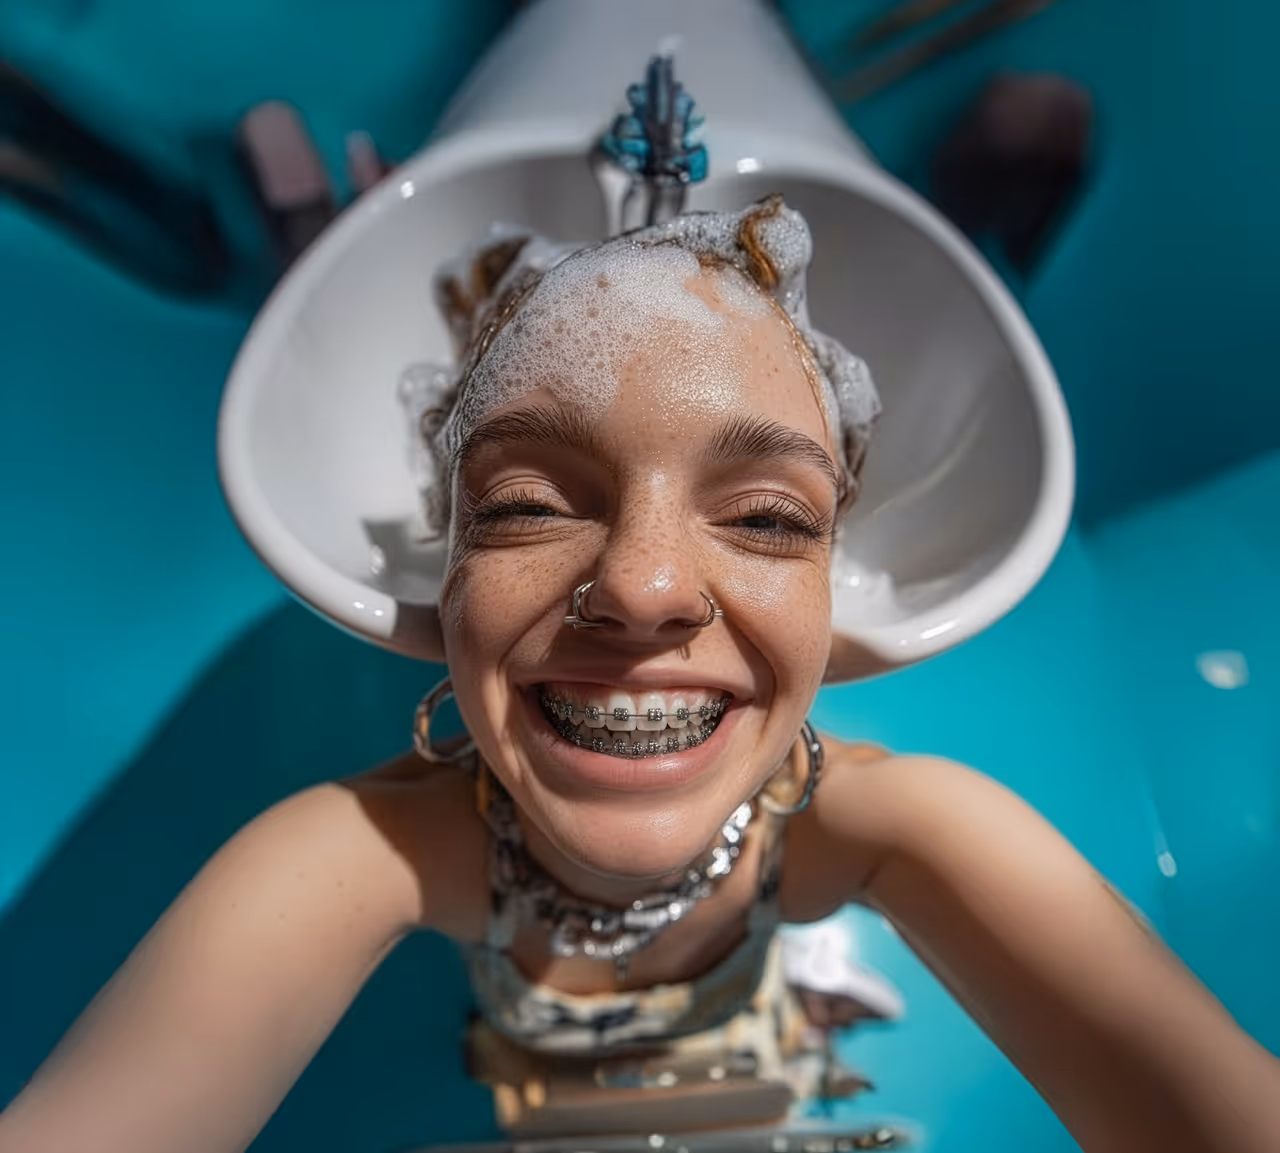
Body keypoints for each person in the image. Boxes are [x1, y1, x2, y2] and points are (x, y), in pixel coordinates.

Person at [1, 197, 1277, 1153]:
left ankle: (998, 187)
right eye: (525, 504)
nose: (645, 585)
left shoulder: (904, 827)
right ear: (442, 579)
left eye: (771, 520)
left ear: (836, 582)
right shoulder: (356, 855)